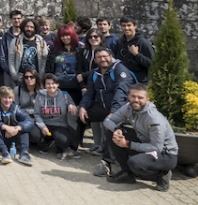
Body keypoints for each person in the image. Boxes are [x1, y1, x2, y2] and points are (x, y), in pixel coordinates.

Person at [103, 84, 178, 191]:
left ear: (147, 99)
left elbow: (156, 148)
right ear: (129, 96)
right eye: (133, 96)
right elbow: (108, 121)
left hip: (165, 154)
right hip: (145, 144)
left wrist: (128, 144)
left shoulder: (154, 119)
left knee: (135, 163)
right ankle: (127, 174)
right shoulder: (129, 107)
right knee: (111, 134)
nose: (136, 100)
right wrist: (116, 130)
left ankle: (162, 174)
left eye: (140, 97)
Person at [79, 47, 135, 177]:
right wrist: (82, 107)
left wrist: (114, 111)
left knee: (111, 126)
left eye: (105, 56)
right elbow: (89, 93)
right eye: (99, 57)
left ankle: (107, 162)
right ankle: (70, 148)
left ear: (111, 56)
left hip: (122, 109)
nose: (102, 59)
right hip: (103, 107)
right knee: (77, 114)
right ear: (96, 60)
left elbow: (121, 92)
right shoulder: (94, 73)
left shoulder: (120, 70)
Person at [34, 73, 79, 160]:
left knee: (63, 141)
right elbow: (37, 114)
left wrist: (70, 105)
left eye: (53, 83)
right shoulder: (39, 96)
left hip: (60, 125)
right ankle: (46, 142)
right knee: (33, 134)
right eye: (48, 83)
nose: (51, 86)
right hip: (45, 124)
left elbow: (72, 106)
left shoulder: (65, 95)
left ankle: (58, 145)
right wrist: (42, 126)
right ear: (44, 85)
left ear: (57, 84)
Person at [0, 86, 34, 166]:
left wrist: (17, 128)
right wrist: (5, 127)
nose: (7, 100)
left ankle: (24, 154)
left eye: (10, 98)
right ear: (0, 97)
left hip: (12, 137)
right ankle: (5, 154)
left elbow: (29, 121)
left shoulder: (15, 108)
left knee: (23, 129)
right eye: (5, 97)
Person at [7, 18, 48, 86]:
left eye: (31, 27)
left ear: (35, 28)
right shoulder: (15, 41)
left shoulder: (41, 42)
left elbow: (44, 59)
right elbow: (11, 59)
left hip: (36, 77)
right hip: (21, 77)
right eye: (27, 26)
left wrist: (40, 76)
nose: (29, 29)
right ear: (23, 27)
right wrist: (15, 76)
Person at [114, 16, 154, 84]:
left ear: (135, 26)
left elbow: (152, 63)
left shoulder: (143, 43)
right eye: (124, 26)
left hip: (140, 82)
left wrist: (137, 55)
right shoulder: (120, 42)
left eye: (129, 25)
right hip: (124, 80)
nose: (126, 28)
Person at [48, 24, 81, 104]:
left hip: (75, 86)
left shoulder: (80, 49)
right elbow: (49, 67)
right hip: (58, 86)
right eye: (62, 36)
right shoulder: (54, 49)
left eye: (67, 35)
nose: (65, 38)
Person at [14, 68, 44, 145]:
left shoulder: (42, 91)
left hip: (36, 118)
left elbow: (43, 108)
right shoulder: (18, 90)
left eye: (32, 77)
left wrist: (36, 119)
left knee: (36, 136)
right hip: (22, 117)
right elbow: (15, 107)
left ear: (36, 78)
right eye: (26, 77)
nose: (29, 79)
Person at [0, 10, 24, 87]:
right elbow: (3, 56)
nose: (17, 20)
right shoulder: (6, 36)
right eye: (14, 18)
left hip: (23, 73)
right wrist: (11, 72)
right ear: (10, 20)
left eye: (18, 18)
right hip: (8, 73)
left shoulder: (26, 36)